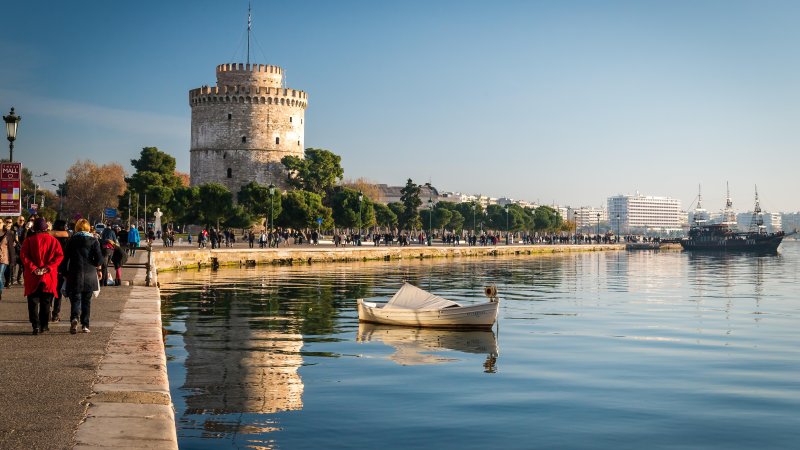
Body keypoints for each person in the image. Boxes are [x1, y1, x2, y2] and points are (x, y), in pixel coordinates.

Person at [20, 218, 64, 335]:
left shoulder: (29, 241)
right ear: (46, 228)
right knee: (46, 301)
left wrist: (34, 268)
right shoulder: (54, 241)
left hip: (32, 275)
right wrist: (48, 267)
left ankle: (35, 325)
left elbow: (24, 256)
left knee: (33, 302)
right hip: (48, 276)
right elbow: (59, 256)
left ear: (34, 228)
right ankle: (44, 325)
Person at [61, 219, 103, 334]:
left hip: (75, 273)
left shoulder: (71, 240)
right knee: (86, 301)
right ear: (88, 228)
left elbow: (65, 258)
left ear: (77, 228)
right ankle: (85, 325)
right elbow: (99, 259)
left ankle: (74, 318)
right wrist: (97, 268)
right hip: (89, 273)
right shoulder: (94, 240)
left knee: (76, 299)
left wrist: (64, 272)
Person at [49, 219, 71, 322]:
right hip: (62, 267)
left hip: (50, 266)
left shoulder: (50, 237)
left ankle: (47, 311)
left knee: (48, 291)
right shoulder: (67, 238)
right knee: (58, 292)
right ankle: (55, 314)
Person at [0, 217, 15, 301]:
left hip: (4, 258)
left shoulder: (8, 233)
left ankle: (0, 291)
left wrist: (12, 261)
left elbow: (11, 248)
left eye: (0, 222)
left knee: (0, 275)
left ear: (3, 223)